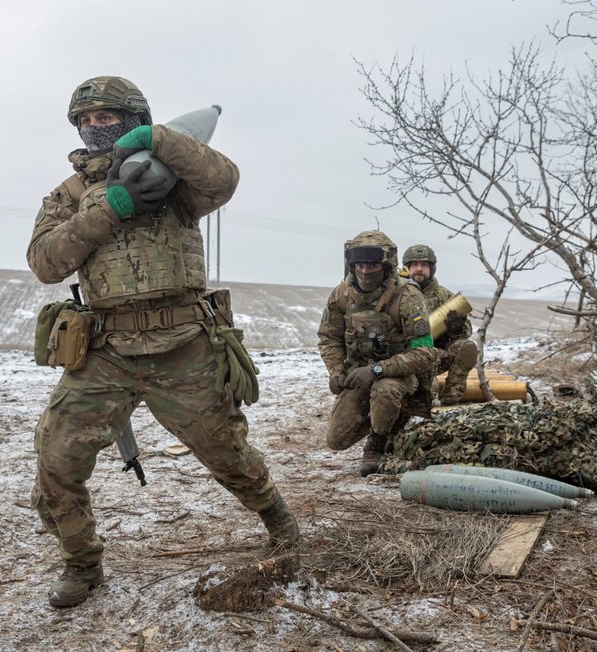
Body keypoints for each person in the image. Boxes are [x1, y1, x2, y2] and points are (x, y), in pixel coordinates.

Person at [27, 76, 298, 609]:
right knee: (56, 462)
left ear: (133, 118)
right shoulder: (70, 194)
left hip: (184, 347)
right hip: (106, 351)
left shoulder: (177, 181)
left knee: (230, 454)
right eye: (85, 120)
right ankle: (82, 565)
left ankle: (281, 525)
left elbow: (223, 179)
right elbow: (45, 263)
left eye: (107, 117)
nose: (93, 127)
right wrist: (111, 207)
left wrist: (157, 142)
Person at [317, 230, 439, 477]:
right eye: (359, 264)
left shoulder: (407, 296)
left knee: (385, 390)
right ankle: (389, 419)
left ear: (385, 265)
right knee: (336, 439)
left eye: (372, 265)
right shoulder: (341, 295)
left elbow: (425, 352)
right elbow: (328, 337)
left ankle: (378, 441)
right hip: (359, 375)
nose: (364, 270)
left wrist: (377, 370)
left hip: (400, 376)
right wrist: (337, 371)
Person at [402, 244, 478, 405]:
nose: (419, 269)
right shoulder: (397, 293)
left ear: (432, 268)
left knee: (467, 347)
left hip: (435, 355)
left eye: (424, 265)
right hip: (403, 357)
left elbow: (467, 331)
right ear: (407, 268)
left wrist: (456, 329)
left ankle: (450, 400)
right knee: (427, 393)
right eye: (414, 265)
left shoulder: (444, 296)